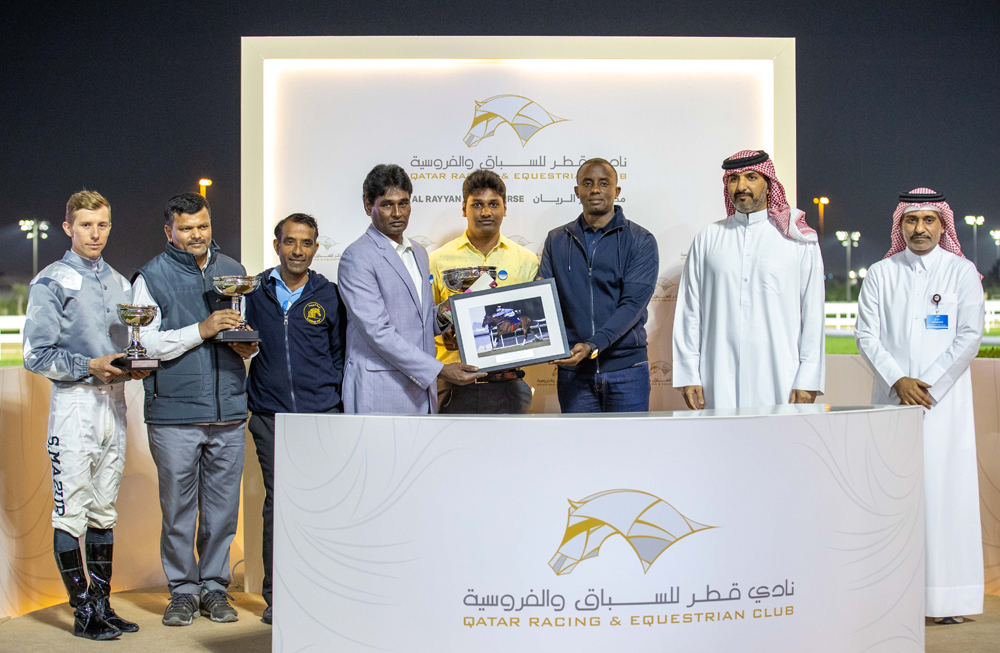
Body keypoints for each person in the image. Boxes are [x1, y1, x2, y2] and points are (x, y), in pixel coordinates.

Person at [855, 188, 984, 624]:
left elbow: (969, 336)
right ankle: (894, 597)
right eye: (911, 221)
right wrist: (898, 380)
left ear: (943, 225)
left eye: (929, 220)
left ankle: (948, 600)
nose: (920, 229)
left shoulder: (961, 271)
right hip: (892, 402)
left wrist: (927, 384)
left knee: (945, 495)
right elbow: (866, 336)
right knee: (896, 497)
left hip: (942, 406)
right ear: (899, 226)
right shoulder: (880, 272)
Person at [23, 190, 146, 641]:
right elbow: (35, 355)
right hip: (75, 403)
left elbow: (133, 341)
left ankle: (103, 605)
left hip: (114, 402)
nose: (96, 233)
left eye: (103, 224)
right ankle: (81, 611)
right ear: (68, 228)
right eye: (87, 225)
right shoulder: (50, 280)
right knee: (70, 511)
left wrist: (133, 366)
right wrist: (86, 366)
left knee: (103, 511)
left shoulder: (119, 282)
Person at [132, 192, 257, 626]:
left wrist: (245, 346)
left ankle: (214, 589)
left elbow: (243, 339)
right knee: (179, 511)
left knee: (222, 512)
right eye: (186, 229)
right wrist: (201, 329)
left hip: (228, 412)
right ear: (169, 231)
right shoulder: (151, 276)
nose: (196, 235)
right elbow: (145, 345)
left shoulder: (234, 272)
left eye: (201, 226)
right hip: (174, 415)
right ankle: (182, 591)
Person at [244, 213, 346, 625]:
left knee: (322, 506)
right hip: (271, 416)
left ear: (316, 248)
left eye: (306, 243)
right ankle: (278, 596)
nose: (298, 251)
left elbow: (339, 355)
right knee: (280, 505)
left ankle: (321, 589)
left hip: (321, 415)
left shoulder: (331, 294)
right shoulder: (252, 292)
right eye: (290, 242)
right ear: (277, 245)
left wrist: (332, 401)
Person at [672, 149, 825, 410]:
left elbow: (812, 314)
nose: (741, 186)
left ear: (768, 185)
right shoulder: (709, 238)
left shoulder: (798, 240)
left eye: (751, 177)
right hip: (717, 374)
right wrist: (688, 374)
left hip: (781, 376)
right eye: (734, 179)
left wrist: (808, 377)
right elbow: (689, 311)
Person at [338, 164, 485, 414]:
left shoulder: (418, 252)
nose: (397, 213)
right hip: (380, 389)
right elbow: (378, 332)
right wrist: (439, 370)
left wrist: (458, 306)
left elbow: (423, 319)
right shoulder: (357, 257)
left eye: (403, 203)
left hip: (420, 392)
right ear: (367, 206)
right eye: (387, 204)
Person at [537, 158, 658, 412]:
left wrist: (593, 344)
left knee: (629, 449)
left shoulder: (640, 240)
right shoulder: (557, 240)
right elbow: (543, 299)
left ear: (616, 191)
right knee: (579, 450)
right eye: (587, 183)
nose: (595, 190)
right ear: (577, 191)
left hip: (626, 370)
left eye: (604, 183)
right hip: (574, 373)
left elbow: (632, 305)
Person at [428, 169, 539, 413]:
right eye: (477, 204)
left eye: (493, 204)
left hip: (509, 384)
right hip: (453, 382)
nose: (486, 212)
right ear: (464, 208)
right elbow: (422, 321)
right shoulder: (436, 260)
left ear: (505, 208)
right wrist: (443, 333)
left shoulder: (527, 261)